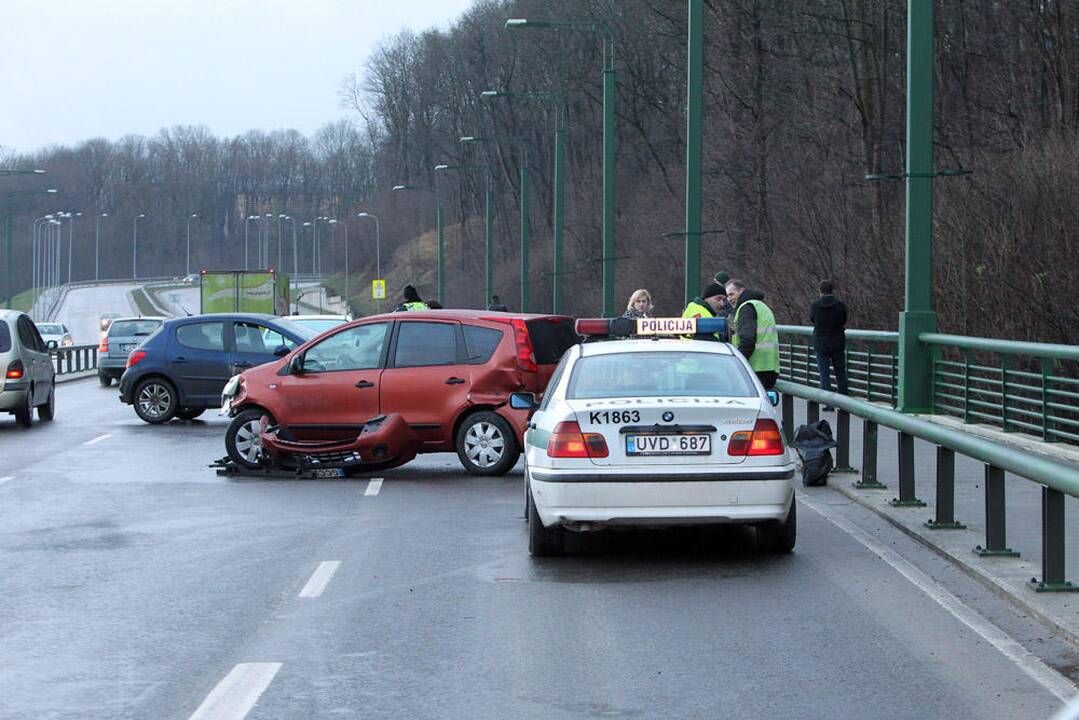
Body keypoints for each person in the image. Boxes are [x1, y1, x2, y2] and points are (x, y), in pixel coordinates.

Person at [725, 279, 780, 389]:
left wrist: (737, 363)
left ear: (741, 291)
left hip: (756, 367)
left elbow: (747, 340)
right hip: (768, 366)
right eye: (727, 296)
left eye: (732, 294)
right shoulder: (759, 305)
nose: (729, 299)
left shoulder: (746, 308)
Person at [810, 279, 848, 409]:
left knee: (824, 374)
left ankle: (829, 404)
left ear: (820, 291)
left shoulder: (815, 306)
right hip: (837, 342)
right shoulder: (840, 305)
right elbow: (844, 320)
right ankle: (844, 402)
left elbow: (813, 319)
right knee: (840, 372)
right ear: (833, 290)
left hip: (821, 343)